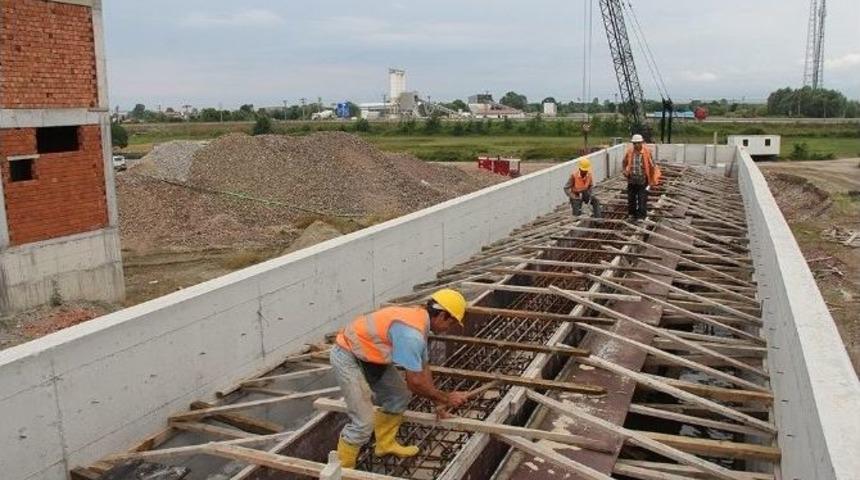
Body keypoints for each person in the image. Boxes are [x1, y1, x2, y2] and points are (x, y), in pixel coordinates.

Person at [331, 289, 471, 468]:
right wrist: (446, 397)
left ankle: (385, 444)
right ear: (443, 315)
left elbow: (423, 367)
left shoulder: (420, 321)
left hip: (369, 355)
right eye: (451, 324)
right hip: (348, 354)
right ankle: (343, 471)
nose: (448, 329)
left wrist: (439, 403)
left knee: (399, 396)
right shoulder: (411, 335)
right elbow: (415, 383)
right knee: (363, 423)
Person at [622, 134, 661, 220]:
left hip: (643, 180)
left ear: (642, 143)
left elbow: (652, 166)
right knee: (631, 199)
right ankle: (632, 214)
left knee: (642, 199)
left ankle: (641, 216)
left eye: (638, 143)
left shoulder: (647, 152)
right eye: (634, 143)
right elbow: (624, 162)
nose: (636, 145)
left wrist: (652, 180)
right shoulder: (629, 151)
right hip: (632, 180)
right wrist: (624, 171)